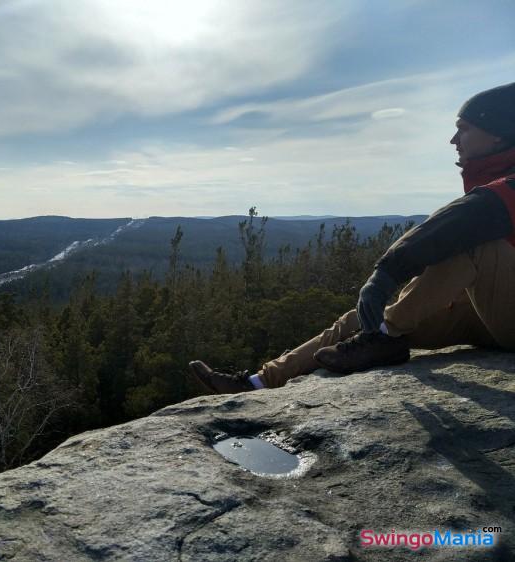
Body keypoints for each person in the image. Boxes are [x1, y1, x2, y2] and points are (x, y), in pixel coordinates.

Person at [190, 82, 515, 393]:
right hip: (492, 315)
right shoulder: (492, 185)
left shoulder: (504, 188)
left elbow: (468, 217)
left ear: (499, 133)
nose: (454, 139)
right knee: (365, 318)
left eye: (465, 128)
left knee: (473, 244)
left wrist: (386, 273)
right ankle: (257, 383)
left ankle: (385, 338)